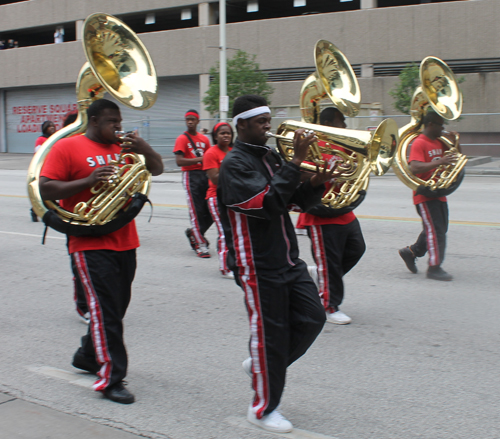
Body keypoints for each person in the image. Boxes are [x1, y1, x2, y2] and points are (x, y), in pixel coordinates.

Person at [217, 95, 334, 434]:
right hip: (257, 264)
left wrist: (318, 181)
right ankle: (263, 409)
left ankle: (262, 365)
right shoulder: (234, 165)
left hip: (287, 258)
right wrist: (296, 162)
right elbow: (266, 204)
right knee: (272, 335)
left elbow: (291, 200)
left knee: (313, 318)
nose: (269, 126)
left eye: (269, 119)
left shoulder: (270, 156)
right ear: (242, 125)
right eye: (261, 121)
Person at [39, 98, 164, 404]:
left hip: (125, 239)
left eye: (120, 123)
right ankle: (111, 379)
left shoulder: (123, 149)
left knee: (115, 308)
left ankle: (87, 354)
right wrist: (89, 180)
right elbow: (46, 188)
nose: (118, 128)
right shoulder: (67, 148)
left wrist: (143, 146)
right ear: (94, 121)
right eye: (112, 123)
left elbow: (157, 169)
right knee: (107, 312)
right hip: (88, 241)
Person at [298, 107, 366, 325]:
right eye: (341, 121)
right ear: (327, 122)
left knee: (357, 249)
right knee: (330, 261)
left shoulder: (343, 146)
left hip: (343, 209)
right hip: (321, 214)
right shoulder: (311, 145)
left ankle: (321, 275)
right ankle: (328, 305)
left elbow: (356, 172)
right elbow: (299, 174)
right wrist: (326, 174)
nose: (345, 126)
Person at [398, 110, 457, 281]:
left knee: (439, 228)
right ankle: (434, 267)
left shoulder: (440, 142)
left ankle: (411, 252)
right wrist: (439, 162)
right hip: (425, 194)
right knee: (436, 230)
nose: (443, 128)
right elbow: (414, 167)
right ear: (430, 124)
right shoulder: (419, 142)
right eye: (440, 125)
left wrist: (455, 143)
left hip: (440, 192)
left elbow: (456, 157)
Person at [173, 109, 213, 258]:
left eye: (192, 119)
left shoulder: (204, 139)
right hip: (191, 176)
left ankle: (194, 233)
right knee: (196, 211)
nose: (190, 122)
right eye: (187, 119)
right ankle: (200, 245)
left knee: (210, 211)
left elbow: (210, 156)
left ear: (197, 121)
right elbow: (179, 161)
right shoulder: (182, 139)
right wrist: (199, 160)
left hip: (205, 175)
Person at [202, 122, 234, 278]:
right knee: (224, 232)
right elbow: (214, 178)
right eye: (222, 133)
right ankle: (225, 267)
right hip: (216, 198)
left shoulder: (233, 151)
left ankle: (233, 263)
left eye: (228, 133)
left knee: (233, 232)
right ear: (215, 136)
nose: (226, 135)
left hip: (232, 198)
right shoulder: (211, 153)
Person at [31, 121, 57, 222]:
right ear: (45, 128)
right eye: (49, 126)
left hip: (53, 167)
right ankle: (34, 210)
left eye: (53, 126)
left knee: (52, 190)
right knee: (43, 192)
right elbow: (39, 154)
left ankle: (50, 210)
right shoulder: (41, 139)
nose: (52, 128)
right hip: (43, 168)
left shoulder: (54, 139)